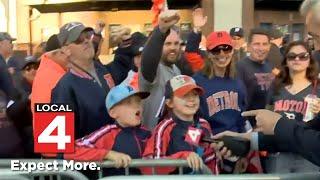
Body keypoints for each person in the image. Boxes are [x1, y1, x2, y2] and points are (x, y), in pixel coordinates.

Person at [143, 75, 225, 174]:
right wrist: (182, 157)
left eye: (195, 94)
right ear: (169, 103)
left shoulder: (204, 125)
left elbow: (211, 160)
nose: (191, 99)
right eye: (184, 95)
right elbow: (151, 166)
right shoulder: (164, 128)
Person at [64, 84, 151, 176]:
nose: (137, 106)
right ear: (113, 113)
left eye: (138, 101)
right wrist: (108, 154)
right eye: (129, 102)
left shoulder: (148, 133)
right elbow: (70, 151)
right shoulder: (107, 133)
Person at [51, 22, 115, 139]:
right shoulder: (62, 88)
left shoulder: (101, 69)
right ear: (66, 50)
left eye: (87, 36)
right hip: (91, 155)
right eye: (78, 40)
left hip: (117, 151)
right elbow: (54, 144)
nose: (86, 41)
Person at [264, 41, 320, 173]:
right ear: (286, 60)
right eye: (292, 56)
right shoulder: (276, 86)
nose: (297, 59)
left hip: (306, 155)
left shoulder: (317, 88)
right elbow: (267, 115)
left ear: (309, 60)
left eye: (303, 56)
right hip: (279, 151)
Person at [192, 31, 247, 135]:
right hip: (208, 142)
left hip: (235, 141)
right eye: (216, 50)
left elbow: (242, 119)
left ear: (232, 51)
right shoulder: (197, 82)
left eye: (226, 49)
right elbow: (192, 120)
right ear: (208, 53)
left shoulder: (237, 82)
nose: (222, 54)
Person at [139, 10, 181, 130]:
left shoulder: (176, 70)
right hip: (153, 139)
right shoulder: (153, 69)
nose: (173, 48)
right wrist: (161, 31)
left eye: (176, 43)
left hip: (172, 138)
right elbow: (148, 57)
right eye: (167, 44)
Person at [236, 28, 275, 126]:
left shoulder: (269, 66)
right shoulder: (240, 67)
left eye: (265, 44)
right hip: (247, 124)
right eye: (257, 44)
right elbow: (238, 100)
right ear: (249, 46)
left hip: (266, 123)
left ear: (269, 46)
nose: (261, 48)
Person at [7, 56, 39, 157]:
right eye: (28, 68)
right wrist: (27, 100)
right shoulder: (17, 90)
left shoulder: (47, 85)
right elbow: (11, 112)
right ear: (23, 73)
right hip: (27, 142)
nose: (33, 70)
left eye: (35, 67)